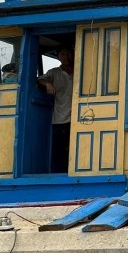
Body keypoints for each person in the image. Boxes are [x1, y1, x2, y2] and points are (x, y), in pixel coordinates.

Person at [37, 44, 75, 173]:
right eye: (63, 54)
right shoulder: (54, 73)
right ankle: (60, 174)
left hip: (79, 116)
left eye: (68, 53)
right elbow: (39, 80)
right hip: (61, 118)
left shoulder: (79, 70)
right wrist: (47, 83)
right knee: (60, 150)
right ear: (58, 56)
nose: (66, 56)